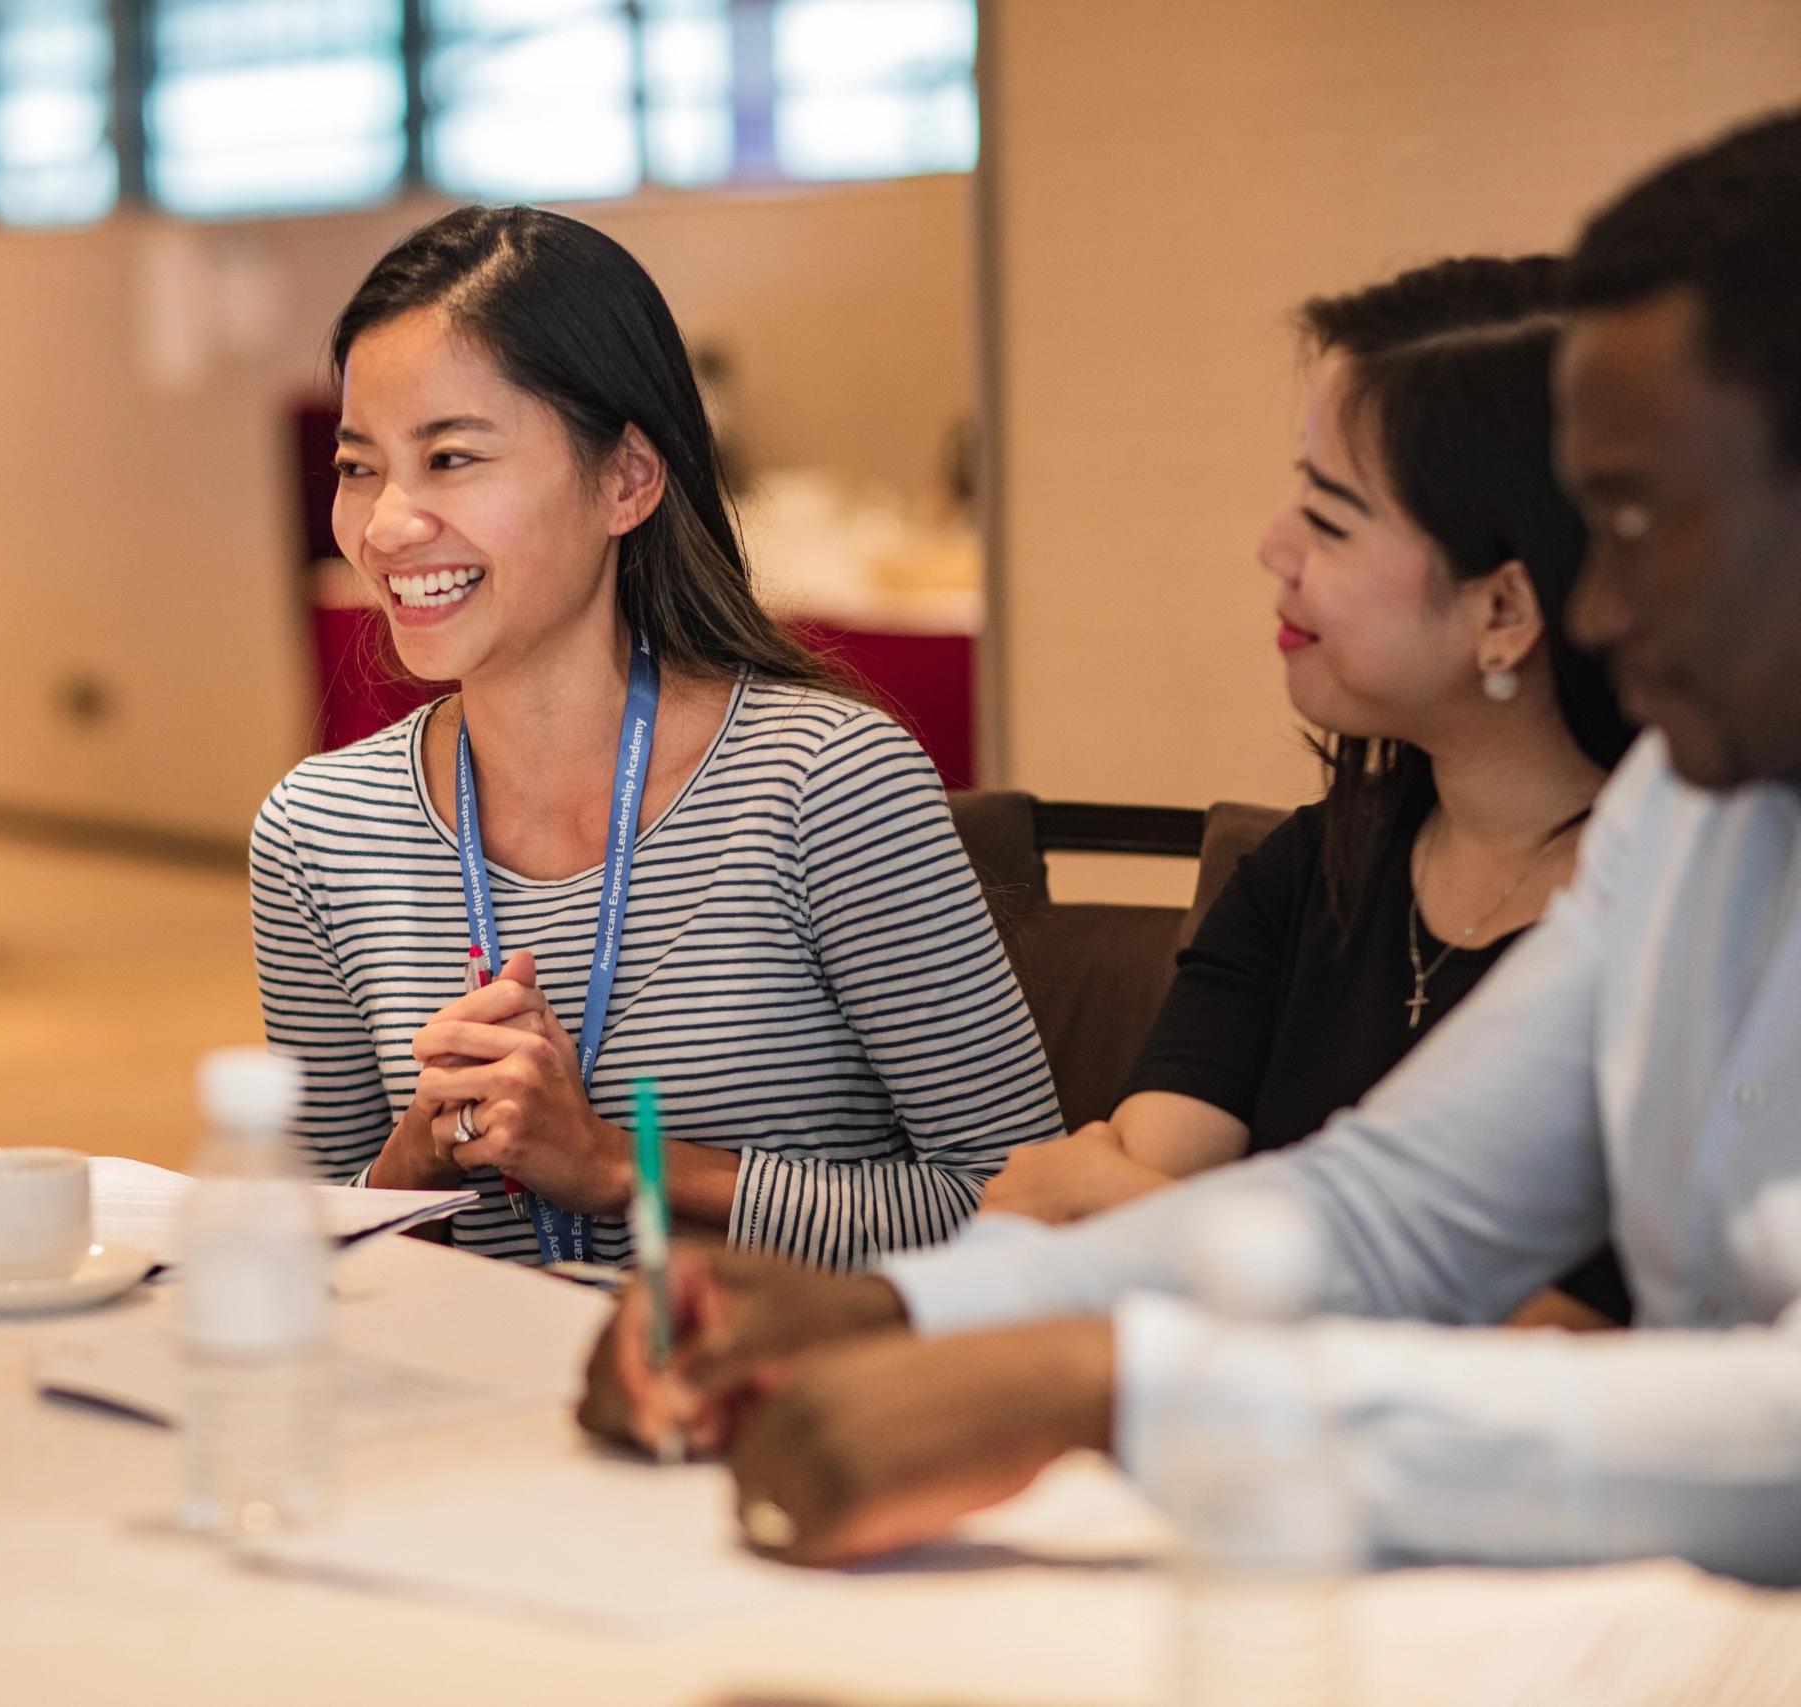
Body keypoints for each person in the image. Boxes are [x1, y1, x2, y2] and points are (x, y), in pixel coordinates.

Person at [580, 107, 1801, 1586]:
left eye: (1640, 517)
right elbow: (1402, 1208)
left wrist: (1106, 1381)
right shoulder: (1696, 809)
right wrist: (900, 1312)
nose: (1593, 613)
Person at [248, 206, 1062, 1269]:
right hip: (452, 1413)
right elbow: (297, 1255)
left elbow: (1024, 1205)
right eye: (360, 467)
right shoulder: (318, 831)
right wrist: (416, 1159)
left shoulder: (824, 784)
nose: (389, 524)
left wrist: (616, 1165)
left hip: (763, 1405)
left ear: (627, 479)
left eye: (449, 458)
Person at [977, 258, 1635, 1328]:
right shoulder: (1313, 867)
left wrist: (1159, 1220)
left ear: (1504, 609)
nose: (1272, 548)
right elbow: (1077, 1208)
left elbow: (1561, 1346)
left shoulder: (1677, 913)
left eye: (1330, 521)